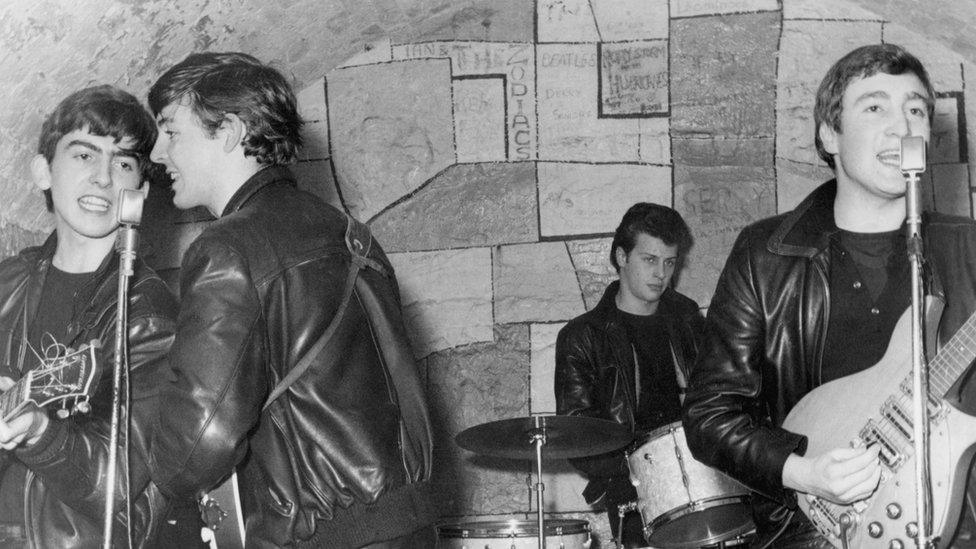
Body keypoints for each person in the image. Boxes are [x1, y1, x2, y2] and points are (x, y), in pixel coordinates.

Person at [682, 43, 976, 548]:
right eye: (875, 106)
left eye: (916, 109)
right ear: (829, 134)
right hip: (811, 531)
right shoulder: (767, 254)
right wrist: (804, 472)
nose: (903, 125)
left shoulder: (968, 247)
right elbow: (710, 414)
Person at [146, 52, 436, 549]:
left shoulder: (227, 247)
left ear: (231, 131)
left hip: (321, 535)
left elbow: (200, 442)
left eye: (171, 131)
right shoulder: (350, 234)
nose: (156, 154)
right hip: (404, 526)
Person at [0, 86, 199, 547]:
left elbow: (128, 494)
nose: (104, 178)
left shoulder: (147, 314)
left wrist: (41, 434)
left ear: (141, 191)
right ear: (43, 171)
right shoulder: (8, 282)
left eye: (124, 162)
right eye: (85, 155)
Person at [554, 202, 705, 547]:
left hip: (700, 473)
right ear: (622, 257)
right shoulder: (583, 337)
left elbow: (720, 394)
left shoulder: (688, 319)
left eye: (670, 262)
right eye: (649, 260)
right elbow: (578, 436)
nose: (661, 274)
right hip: (632, 488)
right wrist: (647, 466)